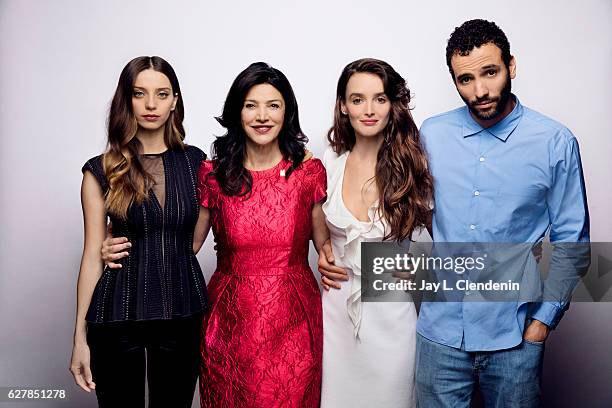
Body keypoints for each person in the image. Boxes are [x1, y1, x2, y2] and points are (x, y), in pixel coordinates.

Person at [415, 19, 590, 407]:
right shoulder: (431, 134)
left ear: (511, 66)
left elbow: (573, 242)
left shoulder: (554, 142)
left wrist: (542, 324)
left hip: (514, 338)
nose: (479, 91)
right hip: (439, 336)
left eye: (490, 72)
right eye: (465, 79)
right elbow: (402, 205)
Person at [69, 56, 209, 408]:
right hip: (118, 312)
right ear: (126, 99)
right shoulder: (100, 169)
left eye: (162, 94)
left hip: (183, 309)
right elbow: (90, 256)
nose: (151, 105)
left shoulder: (196, 163)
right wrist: (79, 338)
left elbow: (193, 243)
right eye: (139, 93)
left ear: (175, 100)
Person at [197, 62, 329, 407]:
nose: (262, 116)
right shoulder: (213, 175)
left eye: (273, 105)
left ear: (287, 112)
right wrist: (117, 237)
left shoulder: (308, 172)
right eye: (251, 105)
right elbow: (186, 246)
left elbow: (329, 245)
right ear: (237, 111)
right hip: (230, 323)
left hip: (294, 323)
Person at [320, 58, 433, 407]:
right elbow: (309, 231)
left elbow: (437, 244)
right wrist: (323, 252)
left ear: (392, 105)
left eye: (380, 99)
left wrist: (415, 270)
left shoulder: (413, 163)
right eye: (357, 99)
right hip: (334, 317)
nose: (369, 110)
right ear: (343, 105)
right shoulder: (328, 162)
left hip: (391, 319)